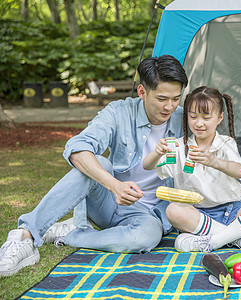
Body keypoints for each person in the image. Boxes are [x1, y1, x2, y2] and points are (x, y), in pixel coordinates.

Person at [0, 55, 188, 277]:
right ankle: (25, 235)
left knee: (147, 237)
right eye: (162, 98)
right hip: (109, 202)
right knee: (96, 161)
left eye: (176, 98)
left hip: (149, 214)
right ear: (141, 92)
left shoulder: (184, 118)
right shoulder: (118, 112)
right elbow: (76, 148)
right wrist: (114, 185)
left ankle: (72, 234)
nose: (170, 106)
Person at [143, 86, 241, 252]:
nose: (199, 123)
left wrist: (213, 161)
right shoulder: (178, 146)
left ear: (220, 117)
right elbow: (147, 166)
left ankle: (212, 241)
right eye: (193, 117)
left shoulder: (225, 143)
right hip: (198, 216)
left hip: (233, 212)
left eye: (206, 117)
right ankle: (235, 238)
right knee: (173, 210)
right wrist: (156, 153)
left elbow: (239, 171)